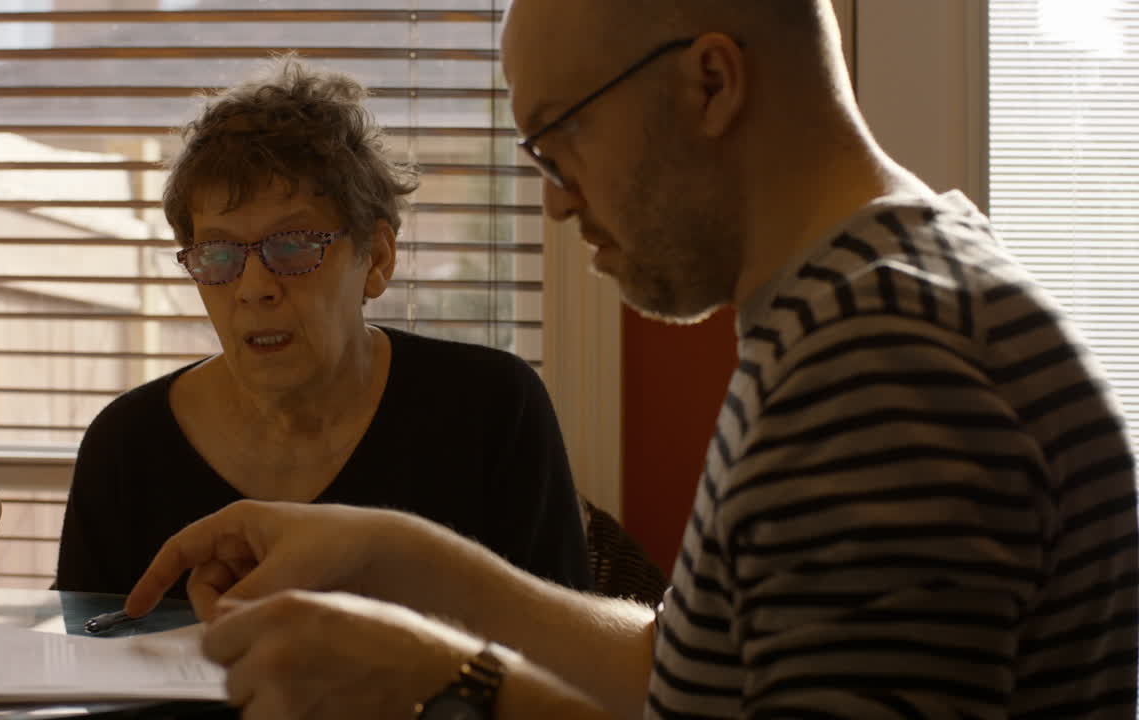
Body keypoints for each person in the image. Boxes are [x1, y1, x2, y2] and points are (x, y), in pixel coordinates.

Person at [125, 1, 1139, 718]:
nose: (555, 199)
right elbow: (696, 675)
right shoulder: (873, 294)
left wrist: (446, 689)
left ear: (708, 81)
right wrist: (403, 557)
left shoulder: (878, 362)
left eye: (556, 139)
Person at [54, 54, 592, 599]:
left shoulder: (492, 409)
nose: (253, 286)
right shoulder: (127, 446)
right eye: (218, 253)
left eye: (292, 246)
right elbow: (76, 662)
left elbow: (568, 652)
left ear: (377, 258)